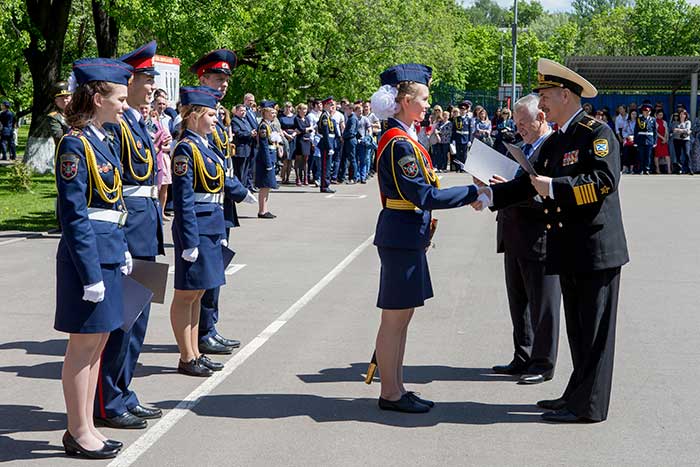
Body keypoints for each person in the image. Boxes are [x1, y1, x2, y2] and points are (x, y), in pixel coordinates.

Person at [478, 58, 629, 423]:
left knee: (594, 333)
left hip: (595, 250)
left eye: (545, 96)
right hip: (569, 247)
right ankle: (575, 395)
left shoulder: (597, 133)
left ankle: (589, 407)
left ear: (565, 94)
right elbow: (526, 181)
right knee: (578, 330)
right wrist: (488, 196)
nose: (541, 103)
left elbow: (604, 182)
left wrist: (556, 188)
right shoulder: (559, 138)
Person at [369, 63, 486, 413]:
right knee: (394, 319)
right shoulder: (400, 144)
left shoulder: (405, 138)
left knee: (402, 318)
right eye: (423, 98)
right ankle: (390, 393)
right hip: (401, 233)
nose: (427, 104)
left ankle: (396, 387)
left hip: (407, 233)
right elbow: (423, 195)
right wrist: (474, 191)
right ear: (404, 101)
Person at [54, 57, 133, 459]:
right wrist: (90, 274)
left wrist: (120, 251)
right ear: (98, 97)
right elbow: (74, 215)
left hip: (107, 251)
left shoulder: (102, 139)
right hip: (86, 259)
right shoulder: (74, 144)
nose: (124, 105)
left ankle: (86, 426)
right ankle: (77, 430)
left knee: (98, 344)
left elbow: (112, 202)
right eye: (118, 98)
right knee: (82, 347)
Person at [94, 41, 165, 431]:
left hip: (146, 226)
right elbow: (114, 186)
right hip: (129, 231)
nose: (152, 84)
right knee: (123, 321)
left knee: (137, 320)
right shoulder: (120, 126)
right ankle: (107, 401)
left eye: (152, 77)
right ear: (130, 79)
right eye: (146, 77)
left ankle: (123, 391)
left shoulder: (137, 122)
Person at [489, 94, 561, 385]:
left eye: (524, 123)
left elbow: (551, 194)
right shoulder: (519, 148)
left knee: (543, 305)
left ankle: (543, 363)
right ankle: (523, 355)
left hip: (539, 234)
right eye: (516, 122)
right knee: (518, 301)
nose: (519, 128)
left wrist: (512, 189)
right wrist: (490, 186)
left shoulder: (555, 148)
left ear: (541, 118)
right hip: (513, 233)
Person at [192, 49, 253, 354]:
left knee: (215, 270)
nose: (223, 84)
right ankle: (203, 331)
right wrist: (238, 189)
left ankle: (210, 326)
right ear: (202, 78)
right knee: (206, 271)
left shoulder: (218, 114)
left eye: (226, 79)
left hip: (220, 203)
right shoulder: (197, 113)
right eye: (218, 78)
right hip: (207, 204)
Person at [170, 86, 229, 377]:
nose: (215, 119)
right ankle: (186, 356)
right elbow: (183, 200)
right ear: (193, 116)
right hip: (196, 228)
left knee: (198, 294)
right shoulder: (186, 149)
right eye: (210, 114)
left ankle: (195, 351)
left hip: (211, 225)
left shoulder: (205, 146)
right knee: (186, 294)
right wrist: (189, 241)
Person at [255, 101, 281, 218]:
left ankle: (265, 209)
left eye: (274, 113)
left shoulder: (270, 125)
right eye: (271, 112)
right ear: (265, 113)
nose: (274, 115)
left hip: (271, 155)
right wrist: (268, 162)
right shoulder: (264, 126)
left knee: (268, 185)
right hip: (265, 158)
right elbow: (264, 146)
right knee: (265, 185)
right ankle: (262, 210)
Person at [317, 97, 339, 193]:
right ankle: (324, 186)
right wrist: (329, 146)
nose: (332, 107)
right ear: (325, 105)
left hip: (330, 141)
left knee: (328, 165)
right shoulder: (324, 117)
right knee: (326, 166)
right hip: (326, 144)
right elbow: (325, 133)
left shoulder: (328, 116)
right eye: (330, 105)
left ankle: (326, 184)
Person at [231, 103, 255, 188]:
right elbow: (238, 133)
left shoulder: (245, 120)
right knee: (239, 171)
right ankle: (239, 188)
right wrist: (250, 134)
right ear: (236, 111)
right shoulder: (234, 121)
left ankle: (244, 187)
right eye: (241, 111)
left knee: (246, 170)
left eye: (244, 111)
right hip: (240, 149)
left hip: (248, 148)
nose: (243, 112)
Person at [47, 82, 72, 146]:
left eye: (67, 97)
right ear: (56, 100)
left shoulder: (80, 113)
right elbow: (59, 136)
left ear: (72, 98)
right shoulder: (54, 117)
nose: (64, 100)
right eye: (61, 98)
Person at [279, 102, 299, 184]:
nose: (288, 108)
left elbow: (298, 127)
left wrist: (293, 135)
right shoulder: (281, 117)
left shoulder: (295, 117)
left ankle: (288, 177)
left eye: (289, 106)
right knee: (285, 159)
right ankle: (283, 177)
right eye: (286, 106)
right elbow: (280, 128)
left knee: (290, 159)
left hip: (293, 137)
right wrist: (287, 135)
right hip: (284, 137)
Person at [634, 102, 656, 175]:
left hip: (649, 139)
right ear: (642, 112)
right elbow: (636, 130)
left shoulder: (653, 119)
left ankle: (647, 169)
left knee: (648, 156)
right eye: (645, 111)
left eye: (648, 111)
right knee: (641, 156)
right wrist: (635, 141)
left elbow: (655, 131)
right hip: (641, 139)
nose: (647, 112)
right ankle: (640, 169)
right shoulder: (639, 119)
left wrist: (655, 142)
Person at [294, 103, 313, 186]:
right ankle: (298, 178)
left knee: (306, 159)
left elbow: (309, 129)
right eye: (303, 109)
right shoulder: (296, 119)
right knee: (298, 159)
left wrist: (306, 130)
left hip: (307, 139)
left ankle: (305, 178)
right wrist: (307, 129)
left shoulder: (306, 119)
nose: (305, 111)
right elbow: (300, 129)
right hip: (300, 140)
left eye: (305, 109)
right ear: (299, 110)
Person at [451, 100, 472, 171]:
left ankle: (464, 167)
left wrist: (470, 140)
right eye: (461, 110)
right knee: (458, 154)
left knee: (465, 154)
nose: (462, 111)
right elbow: (454, 130)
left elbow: (470, 130)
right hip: (458, 138)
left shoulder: (469, 119)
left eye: (464, 110)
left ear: (466, 111)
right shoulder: (457, 119)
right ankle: (458, 168)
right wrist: (453, 139)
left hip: (465, 138)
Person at [672, 108, 692, 175]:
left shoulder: (688, 122)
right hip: (677, 140)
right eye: (681, 114)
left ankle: (689, 169)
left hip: (686, 140)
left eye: (684, 114)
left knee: (687, 154)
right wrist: (684, 130)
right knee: (678, 155)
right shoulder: (675, 122)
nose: (682, 115)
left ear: (686, 115)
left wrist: (679, 130)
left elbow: (688, 129)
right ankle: (679, 169)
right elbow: (674, 130)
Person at [654, 109, 671, 174]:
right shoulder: (654, 122)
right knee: (657, 155)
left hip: (664, 140)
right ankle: (657, 169)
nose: (660, 116)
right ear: (656, 115)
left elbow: (666, 131)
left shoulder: (664, 122)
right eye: (659, 115)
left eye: (662, 115)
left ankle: (669, 169)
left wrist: (666, 139)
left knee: (667, 154)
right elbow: (656, 132)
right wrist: (662, 138)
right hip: (658, 140)